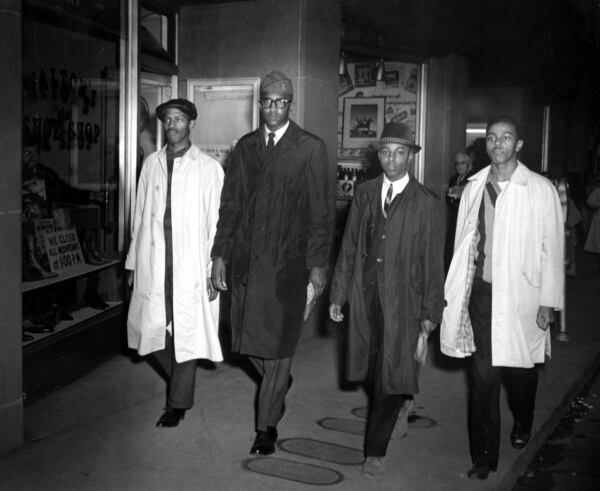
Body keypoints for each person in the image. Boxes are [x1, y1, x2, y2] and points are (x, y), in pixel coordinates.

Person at [210, 70, 333, 455]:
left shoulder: (310, 147)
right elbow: (229, 207)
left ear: (290, 105)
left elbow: (321, 214)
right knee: (244, 343)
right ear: (259, 104)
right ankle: (278, 384)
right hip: (246, 261)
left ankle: (266, 428)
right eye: (268, 102)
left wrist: (317, 266)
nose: (274, 109)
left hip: (287, 266)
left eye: (281, 102)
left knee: (279, 349)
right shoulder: (245, 147)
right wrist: (219, 255)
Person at [441, 115, 564, 480]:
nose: (498, 144)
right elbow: (462, 245)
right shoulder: (475, 186)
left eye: (506, 137)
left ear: (519, 144)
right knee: (483, 379)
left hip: (522, 297)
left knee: (521, 372)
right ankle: (483, 456)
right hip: (481, 295)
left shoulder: (539, 189)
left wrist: (548, 300)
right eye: (492, 138)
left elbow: (552, 250)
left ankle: (523, 420)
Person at [329, 122, 445, 479]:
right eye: (385, 152)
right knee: (367, 367)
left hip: (404, 301)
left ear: (410, 156)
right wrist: (339, 294)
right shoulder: (364, 193)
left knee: (388, 371)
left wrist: (430, 311)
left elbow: (432, 260)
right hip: (366, 297)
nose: (390, 159)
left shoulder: (426, 202)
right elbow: (349, 246)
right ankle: (400, 400)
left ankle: (375, 450)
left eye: (398, 152)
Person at [125, 98, 224, 428]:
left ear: (191, 124)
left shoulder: (208, 168)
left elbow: (216, 224)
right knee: (151, 331)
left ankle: (177, 402)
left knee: (188, 328)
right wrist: (132, 265)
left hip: (190, 265)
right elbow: (139, 217)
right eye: (168, 119)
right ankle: (180, 384)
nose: (172, 125)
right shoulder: (151, 164)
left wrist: (213, 269)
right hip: (155, 262)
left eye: (179, 119)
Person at [445, 151, 473, 271]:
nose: (459, 166)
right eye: (457, 164)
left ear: (468, 164)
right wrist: (453, 198)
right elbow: (447, 198)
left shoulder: (471, 179)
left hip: (465, 219)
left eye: (462, 163)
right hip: (454, 217)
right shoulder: (453, 179)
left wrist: (459, 196)